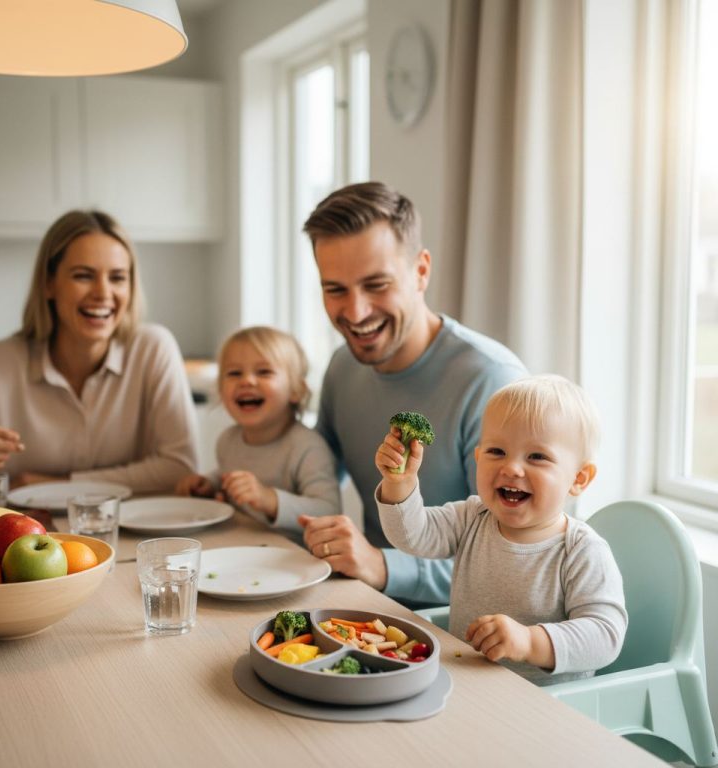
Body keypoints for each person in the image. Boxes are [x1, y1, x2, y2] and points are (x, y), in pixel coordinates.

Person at [299, 181, 527, 607]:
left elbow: (519, 561)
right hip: (366, 607)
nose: (356, 312)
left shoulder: (492, 381)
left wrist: (382, 565)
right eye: (335, 290)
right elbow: (313, 476)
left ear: (421, 271)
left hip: (466, 636)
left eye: (376, 285)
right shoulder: (343, 367)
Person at [375, 375, 627, 685]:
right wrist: (399, 484)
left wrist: (530, 642)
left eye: (537, 456)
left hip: (546, 709)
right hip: (466, 684)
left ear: (579, 479)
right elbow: (411, 535)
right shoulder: (471, 517)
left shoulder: (582, 550)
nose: (511, 468)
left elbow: (605, 635)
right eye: (497, 452)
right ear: (478, 458)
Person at [0, 209, 199, 499]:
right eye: (83, 276)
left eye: (118, 278)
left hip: (133, 537)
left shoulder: (154, 349)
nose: (103, 293)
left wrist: (55, 484)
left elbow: (180, 468)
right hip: (25, 536)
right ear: (49, 284)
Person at [175, 326, 340, 543]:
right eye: (234, 373)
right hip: (244, 547)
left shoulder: (307, 447)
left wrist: (270, 500)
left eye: (264, 372)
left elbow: (329, 511)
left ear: (296, 391)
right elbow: (228, 472)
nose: (247, 381)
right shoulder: (228, 441)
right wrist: (209, 484)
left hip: (296, 561)